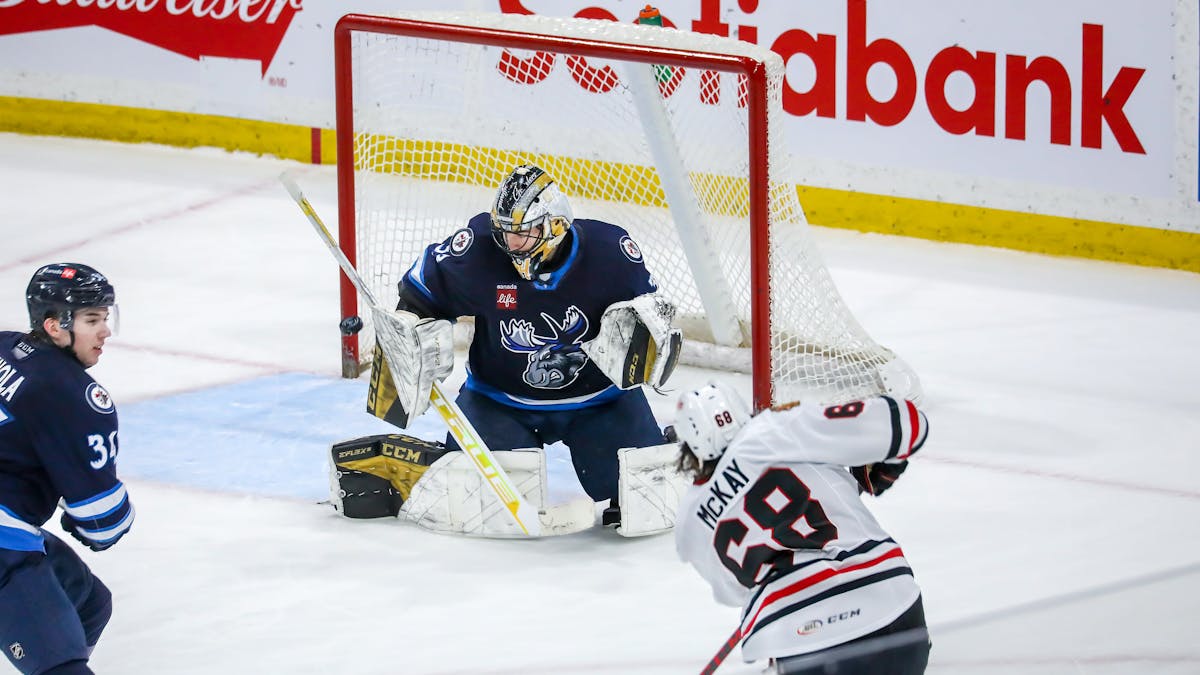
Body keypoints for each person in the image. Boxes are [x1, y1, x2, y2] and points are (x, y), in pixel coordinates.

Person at [360, 164, 681, 526]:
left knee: (648, 501)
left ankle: (664, 441)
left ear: (555, 226)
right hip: (499, 403)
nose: (511, 245)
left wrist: (648, 343)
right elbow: (421, 293)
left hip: (600, 404)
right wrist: (410, 328)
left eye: (524, 234)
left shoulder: (612, 254)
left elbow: (651, 326)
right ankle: (431, 462)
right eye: (505, 233)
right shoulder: (479, 251)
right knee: (476, 503)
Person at [673, 382, 931, 674]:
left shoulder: (688, 525)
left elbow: (734, 593)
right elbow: (907, 422)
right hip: (894, 616)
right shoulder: (777, 428)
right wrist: (886, 466)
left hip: (799, 644)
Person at [0, 263, 134, 675]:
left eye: (105, 318)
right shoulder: (72, 394)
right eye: (92, 319)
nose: (105, 331)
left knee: (89, 601)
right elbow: (102, 523)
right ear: (55, 326)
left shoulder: (5, 345)